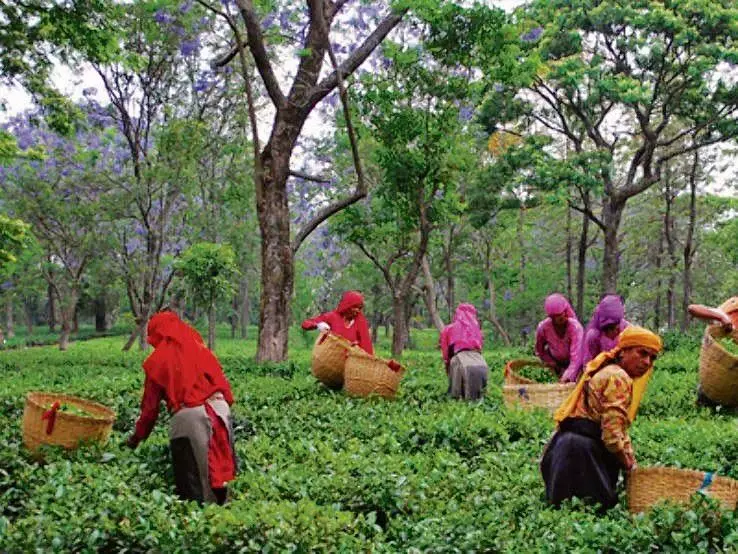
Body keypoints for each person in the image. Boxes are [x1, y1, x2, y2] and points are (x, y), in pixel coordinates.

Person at [540, 325, 662, 511]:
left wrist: (630, 457)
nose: (646, 362)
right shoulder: (618, 378)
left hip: (563, 447)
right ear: (623, 352)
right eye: (642, 353)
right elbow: (612, 437)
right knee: (593, 514)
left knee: (564, 514)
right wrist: (628, 464)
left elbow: (618, 427)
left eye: (652, 358)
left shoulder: (607, 370)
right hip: (582, 455)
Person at [126, 311, 237, 505]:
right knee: (225, 475)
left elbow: (150, 411)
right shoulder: (199, 347)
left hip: (190, 417)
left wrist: (136, 439)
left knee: (195, 485)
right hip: (221, 410)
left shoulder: (157, 361)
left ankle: (202, 528)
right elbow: (226, 390)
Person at [439, 303, 489, 400]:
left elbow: (446, 354)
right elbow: (479, 348)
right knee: (479, 396)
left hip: (460, 358)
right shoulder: (477, 330)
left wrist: (447, 366)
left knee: (457, 395)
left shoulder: (449, 329)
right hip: (480, 361)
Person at [301, 290, 374, 355]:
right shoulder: (332, 317)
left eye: (360, 308)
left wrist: (357, 345)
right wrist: (318, 325)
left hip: (350, 364)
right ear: (347, 305)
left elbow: (366, 346)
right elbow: (305, 324)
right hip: (330, 360)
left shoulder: (360, 321)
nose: (357, 310)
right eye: (355, 307)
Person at [535, 293, 584, 383]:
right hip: (555, 364)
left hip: (575, 365)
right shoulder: (543, 327)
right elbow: (539, 351)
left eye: (562, 316)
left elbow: (576, 358)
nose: (563, 318)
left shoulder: (575, 328)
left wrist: (567, 376)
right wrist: (552, 364)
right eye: (556, 318)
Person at [582, 294, 630, 370]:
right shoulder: (593, 335)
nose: (614, 331)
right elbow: (588, 363)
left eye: (616, 325)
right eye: (610, 328)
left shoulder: (627, 330)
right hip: (599, 374)